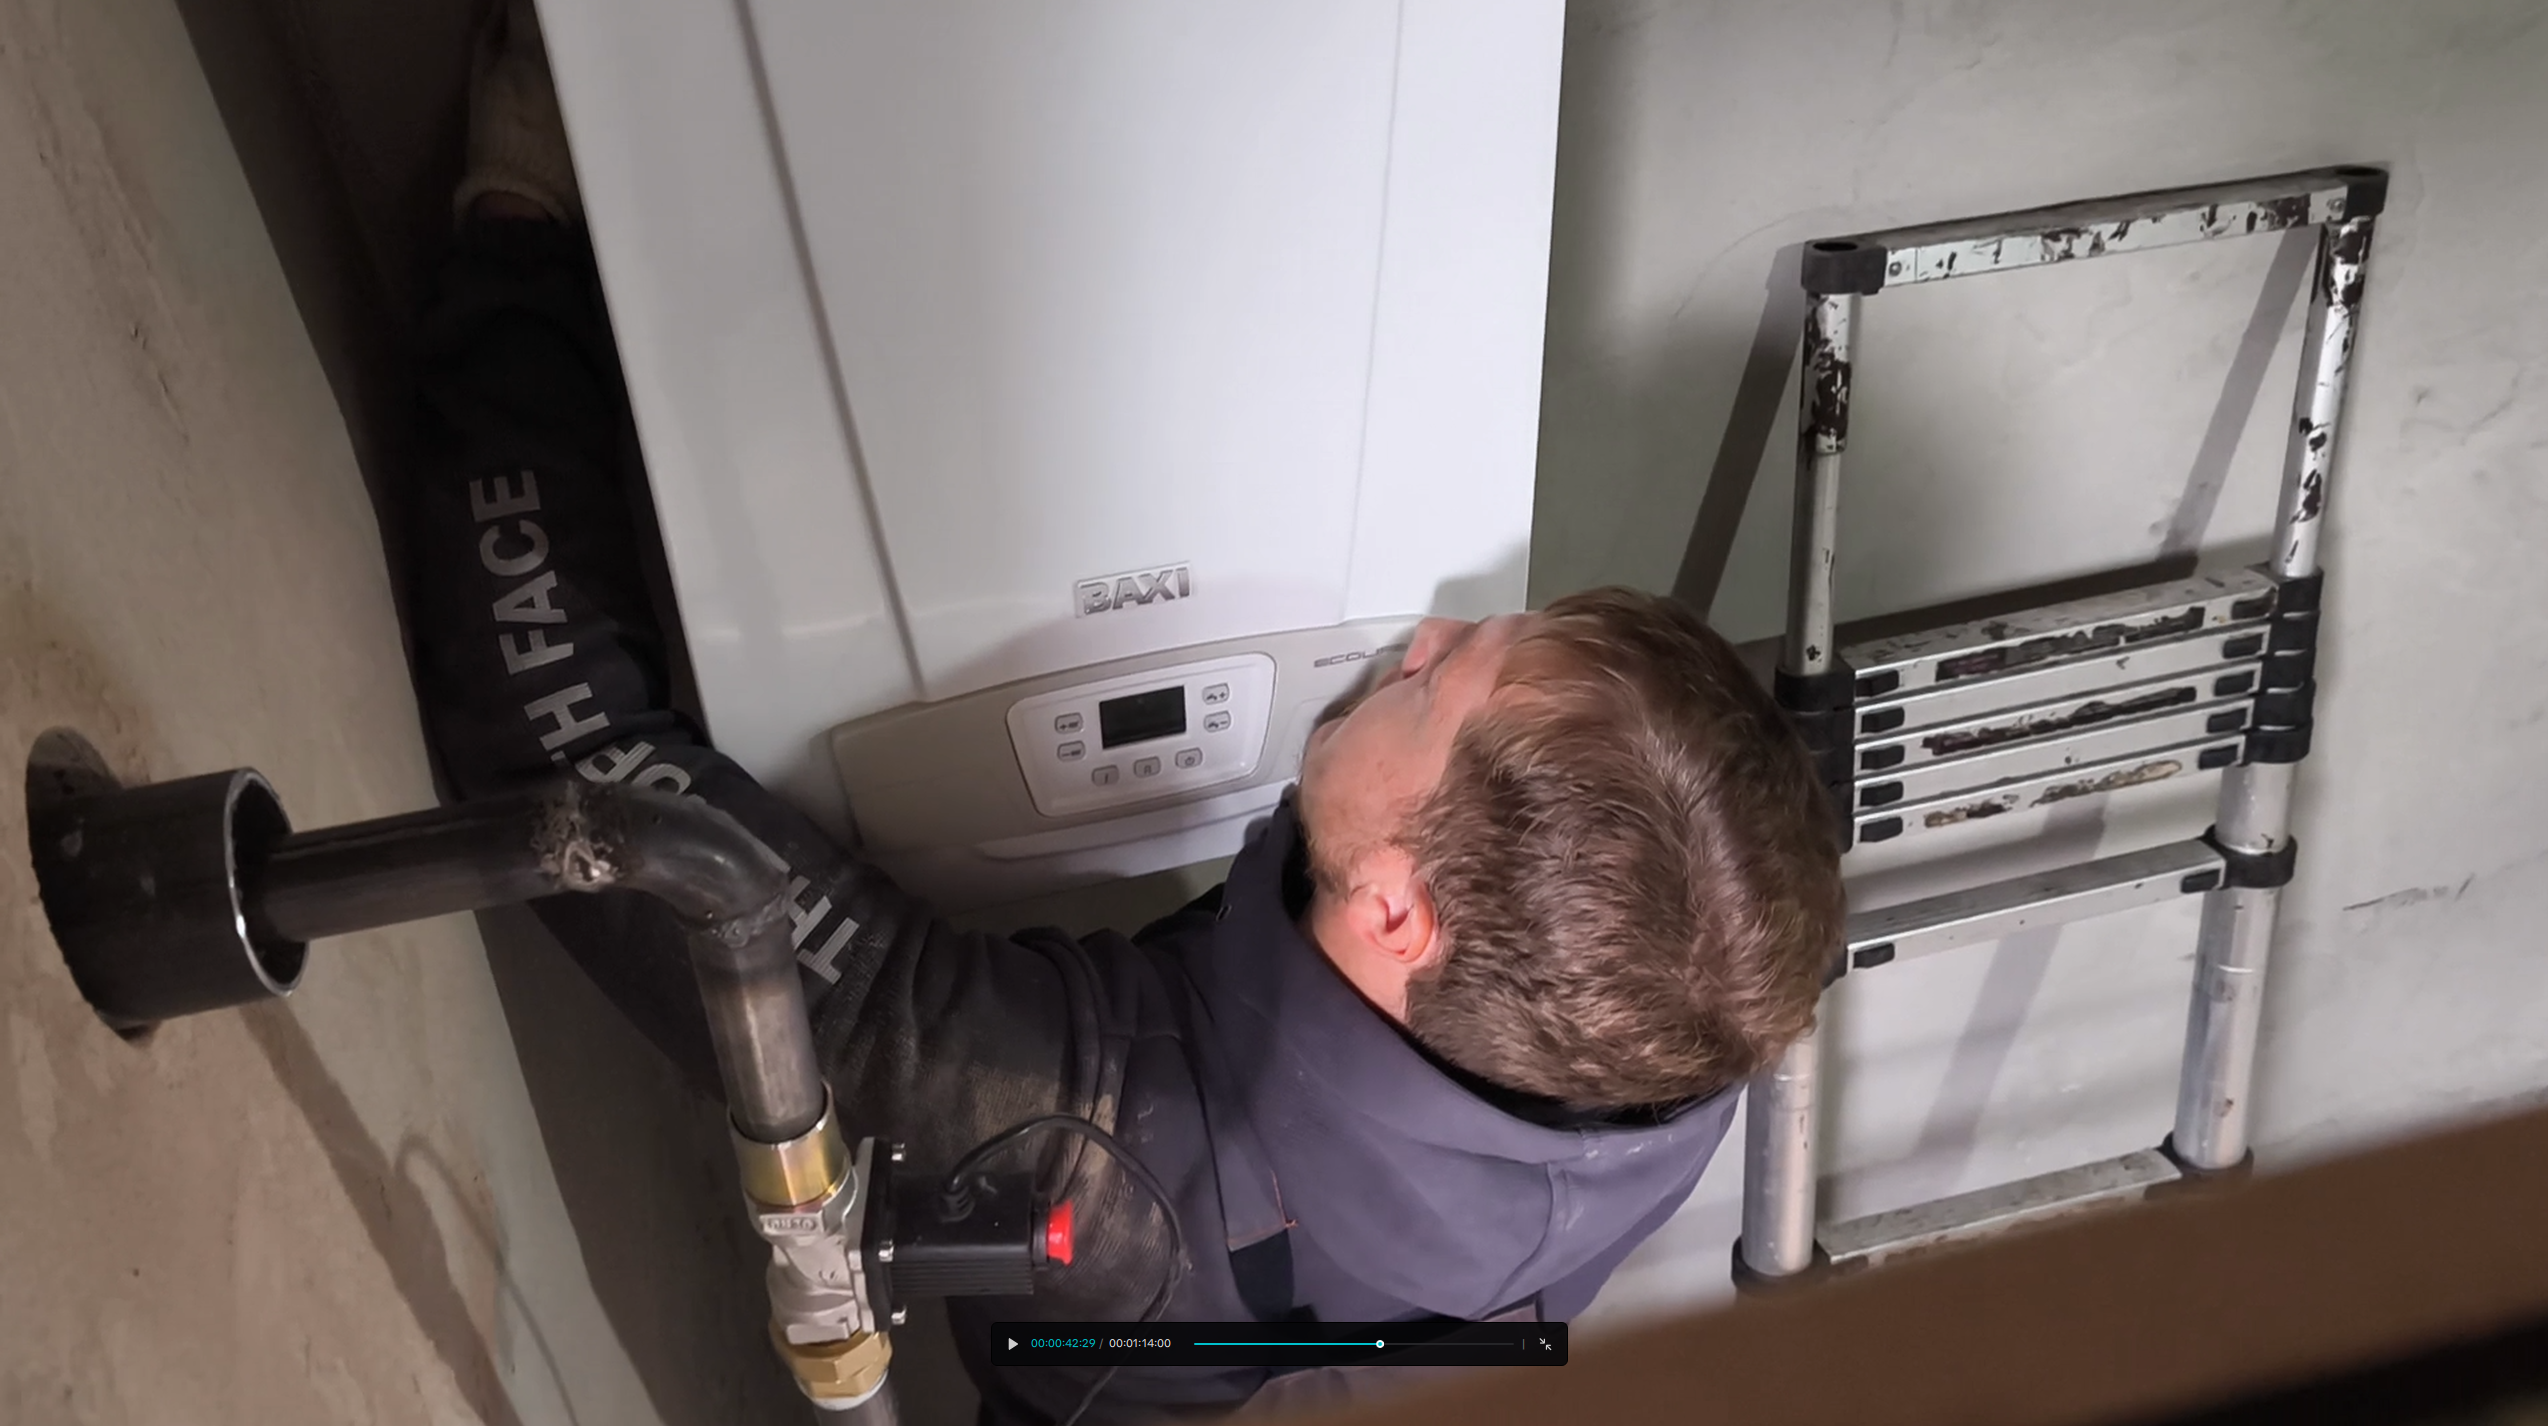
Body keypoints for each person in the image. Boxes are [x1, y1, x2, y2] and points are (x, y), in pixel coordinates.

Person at [403, 6, 1844, 1423]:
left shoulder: (1095, 1145)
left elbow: (581, 758)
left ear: (1398, 911)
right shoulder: (1676, 1054)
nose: (1424, 635)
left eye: (1431, 682)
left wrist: (519, 234)